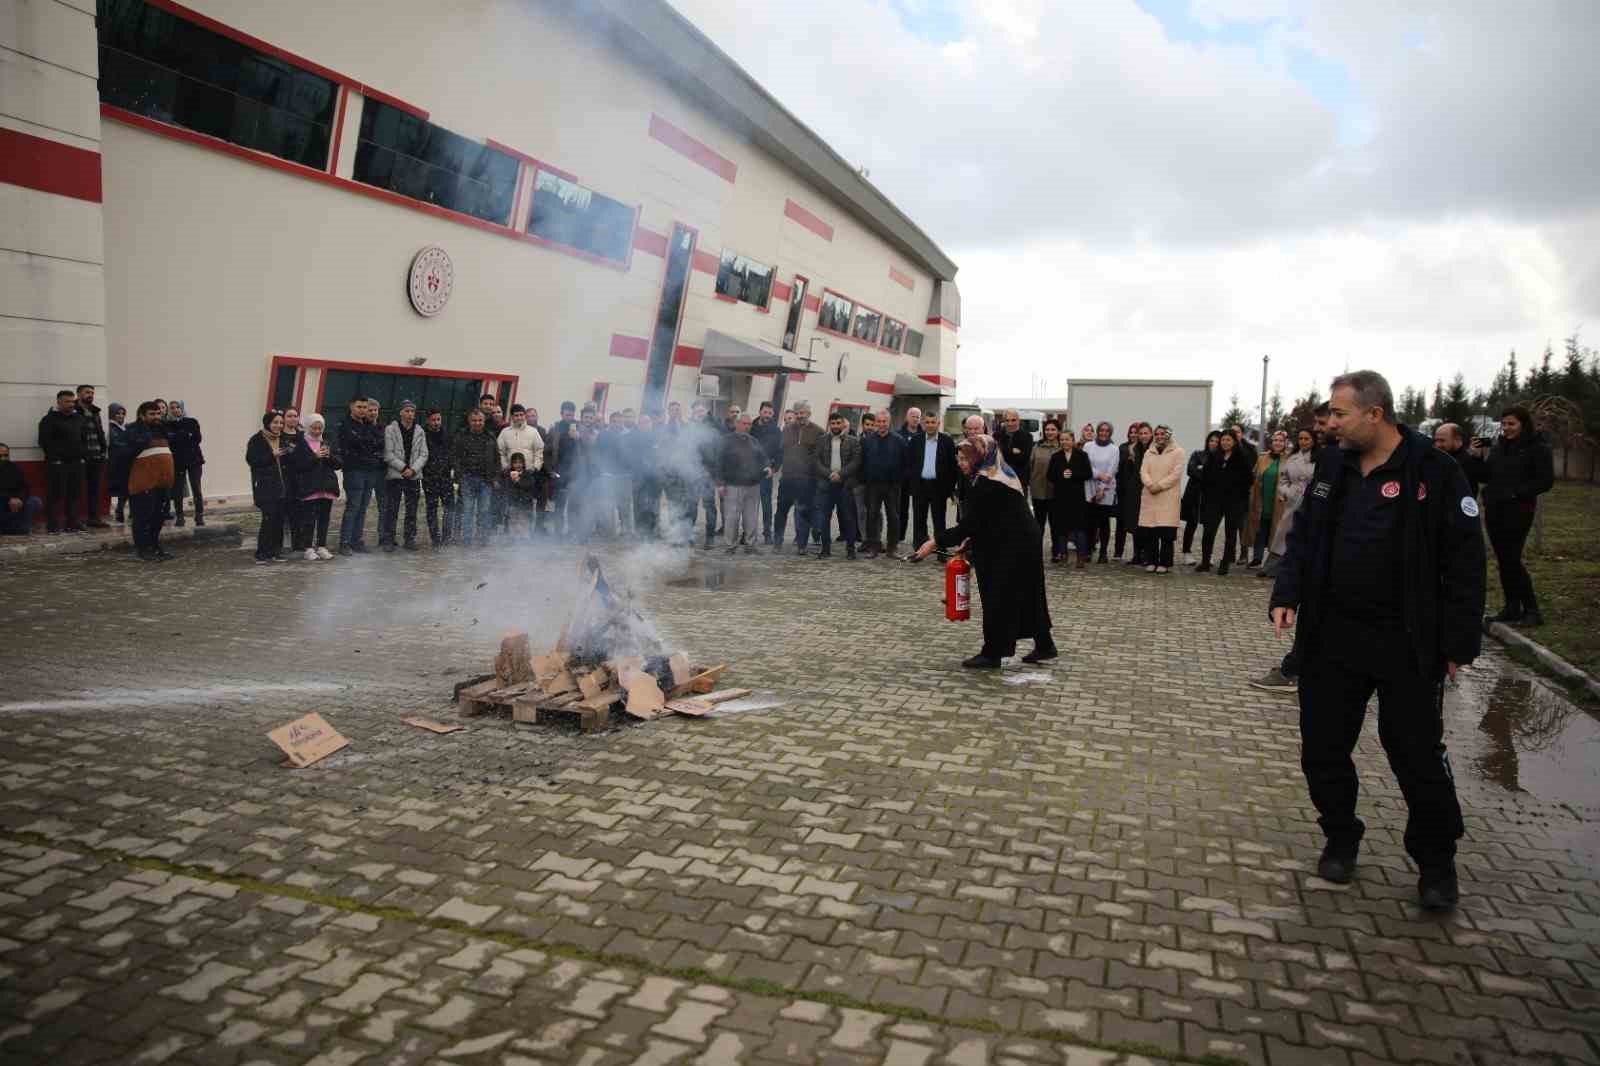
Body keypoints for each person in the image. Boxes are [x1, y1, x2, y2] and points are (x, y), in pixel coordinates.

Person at [1269, 370, 1483, 911]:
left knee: (1414, 754)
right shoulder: (1333, 467)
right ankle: (1340, 836)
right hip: (1333, 636)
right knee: (1322, 744)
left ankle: (1436, 865)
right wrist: (1287, 592)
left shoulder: (1435, 471)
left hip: (1407, 643)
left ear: (1375, 414)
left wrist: (1459, 642)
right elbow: (1305, 537)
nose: (1328, 423)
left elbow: (1465, 561)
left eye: (1339, 414)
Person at [912, 435, 1054, 667]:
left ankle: (993, 653)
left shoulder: (990, 481)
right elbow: (988, 519)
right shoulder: (991, 473)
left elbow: (971, 523)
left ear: (980, 455)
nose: (960, 463)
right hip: (1013, 539)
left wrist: (934, 542)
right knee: (1027, 593)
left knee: (997, 595)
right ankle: (1045, 645)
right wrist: (969, 542)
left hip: (1013, 544)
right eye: (958, 458)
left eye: (965, 458)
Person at [1479, 404, 1555, 627]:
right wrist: (1475, 458)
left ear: (1523, 424)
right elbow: (1487, 474)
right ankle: (1512, 607)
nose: (1506, 428)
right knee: (1503, 561)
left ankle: (1532, 610)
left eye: (1511, 424)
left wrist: (1515, 493)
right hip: (1495, 510)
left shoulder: (1537, 448)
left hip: (1519, 511)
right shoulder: (1500, 447)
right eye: (1503, 424)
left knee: (1512, 559)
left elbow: (1545, 481)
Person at [123, 401, 175, 561]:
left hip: (162, 482)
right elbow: (128, 452)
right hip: (142, 482)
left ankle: (154, 546)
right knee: (142, 518)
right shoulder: (133, 430)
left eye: (158, 413)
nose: (156, 417)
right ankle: (142, 550)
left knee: (158, 517)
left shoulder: (162, 429)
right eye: (152, 414)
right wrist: (146, 433)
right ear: (142, 415)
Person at [1261, 428, 1316, 578]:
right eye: (1301, 439)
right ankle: (1273, 568)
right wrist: (1287, 491)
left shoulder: (1320, 458)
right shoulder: (1292, 458)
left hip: (1312, 500)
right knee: (1283, 533)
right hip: (1293, 500)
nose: (1303, 442)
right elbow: (1283, 479)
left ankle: (1302, 568)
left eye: (1307, 439)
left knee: (1307, 534)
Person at [1197, 429, 1252, 574]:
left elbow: (1249, 480)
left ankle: (1225, 562)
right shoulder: (1214, 456)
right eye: (1223, 440)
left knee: (1230, 533)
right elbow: (1205, 476)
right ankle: (1205, 561)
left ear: (1234, 441)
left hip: (1234, 502)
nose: (1225, 443)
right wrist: (1208, 494)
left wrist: (1239, 495)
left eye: (1228, 440)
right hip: (1214, 501)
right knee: (1209, 531)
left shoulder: (1242, 457)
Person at [335, 398, 384, 555]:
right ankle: (345, 542)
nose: (363, 410)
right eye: (359, 407)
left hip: (371, 470)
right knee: (353, 506)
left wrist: (367, 444)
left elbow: (378, 443)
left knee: (363, 507)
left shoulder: (369, 425)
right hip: (354, 470)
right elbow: (353, 444)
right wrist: (366, 444)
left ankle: (357, 540)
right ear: (351, 407)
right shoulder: (345, 425)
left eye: (365, 407)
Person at [289, 413, 340, 560]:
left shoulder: (327, 442)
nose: (317, 431)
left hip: (327, 487)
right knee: (309, 519)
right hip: (309, 487)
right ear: (307, 427)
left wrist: (329, 456)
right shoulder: (300, 442)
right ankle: (308, 547)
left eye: (320, 428)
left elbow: (338, 464)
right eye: (314, 428)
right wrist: (314, 457)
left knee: (324, 518)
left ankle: (322, 546)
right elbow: (298, 465)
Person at [811, 411, 861, 559]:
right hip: (826, 485)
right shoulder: (821, 440)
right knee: (824, 517)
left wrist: (841, 474)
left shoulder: (853, 441)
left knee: (848, 518)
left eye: (838, 423)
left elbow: (856, 461)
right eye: (833, 423)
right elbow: (816, 461)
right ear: (829, 424)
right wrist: (829, 474)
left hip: (845, 485)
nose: (836, 426)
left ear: (843, 424)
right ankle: (825, 549)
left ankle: (851, 549)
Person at [717, 413, 769, 554]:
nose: (747, 426)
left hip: (753, 485)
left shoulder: (754, 441)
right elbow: (719, 462)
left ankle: (750, 545)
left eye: (749, 424)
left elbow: (763, 458)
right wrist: (720, 483)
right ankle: (730, 546)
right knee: (732, 517)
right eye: (744, 423)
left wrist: (767, 467)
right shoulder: (726, 441)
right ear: (737, 424)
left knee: (751, 517)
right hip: (733, 485)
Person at [38, 389, 87, 533]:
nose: (71, 404)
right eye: (67, 401)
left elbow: (84, 439)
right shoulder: (49, 419)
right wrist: (55, 459)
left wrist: (82, 456)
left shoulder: (79, 418)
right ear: (59, 402)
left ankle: (72, 522)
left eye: (73, 401)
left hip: (77, 463)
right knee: (56, 494)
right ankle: (53, 524)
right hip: (57, 464)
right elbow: (44, 441)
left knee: (74, 494)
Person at [381, 400, 427, 552]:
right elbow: (388, 454)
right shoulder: (390, 429)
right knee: (392, 509)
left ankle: (410, 538)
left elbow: (424, 454)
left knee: (412, 509)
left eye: (412, 411)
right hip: (396, 475)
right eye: (407, 411)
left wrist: (413, 470)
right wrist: (403, 468)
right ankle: (388, 539)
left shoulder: (420, 431)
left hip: (413, 476)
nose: (410, 414)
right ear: (401, 412)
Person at [246, 411, 292, 563]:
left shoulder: (283, 439)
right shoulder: (257, 440)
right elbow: (253, 461)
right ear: (267, 423)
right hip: (265, 486)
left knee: (279, 519)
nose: (278, 426)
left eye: (280, 423)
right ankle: (262, 553)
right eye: (275, 422)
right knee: (268, 519)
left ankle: (276, 551)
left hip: (282, 485)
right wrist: (272, 455)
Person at [907, 410, 957, 549]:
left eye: (933, 422)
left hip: (938, 487)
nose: (930, 425)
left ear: (938, 423)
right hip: (920, 486)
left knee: (939, 520)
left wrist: (950, 489)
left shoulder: (947, 441)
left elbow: (952, 467)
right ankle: (919, 547)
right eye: (927, 422)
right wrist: (912, 484)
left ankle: (941, 548)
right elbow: (909, 463)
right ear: (923, 423)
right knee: (919, 519)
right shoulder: (915, 441)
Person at [1137, 425, 1184, 574]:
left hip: (1167, 497)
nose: (1159, 436)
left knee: (1166, 533)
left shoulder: (1178, 452)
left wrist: (1160, 486)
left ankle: (1165, 562)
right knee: (1150, 532)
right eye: (1156, 434)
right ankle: (1151, 561)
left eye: (1162, 434)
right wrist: (1150, 484)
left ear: (1168, 435)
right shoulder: (1149, 452)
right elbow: (1143, 471)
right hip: (1150, 495)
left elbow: (1176, 474)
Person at [859, 411, 907, 558]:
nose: (881, 424)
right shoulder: (867, 440)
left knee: (893, 516)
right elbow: (862, 462)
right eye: (878, 422)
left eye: (884, 421)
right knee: (872, 515)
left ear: (889, 422)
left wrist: (899, 480)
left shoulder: (899, 440)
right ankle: (873, 547)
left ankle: (892, 548)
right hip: (873, 486)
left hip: (892, 486)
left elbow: (905, 462)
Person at [775, 401, 821, 552]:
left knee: (804, 512)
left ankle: (802, 545)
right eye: (798, 413)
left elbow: (819, 457)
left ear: (809, 413)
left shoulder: (818, 431)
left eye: (803, 413)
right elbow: (780, 452)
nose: (800, 416)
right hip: (787, 478)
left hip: (806, 481)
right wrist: (774, 467)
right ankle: (777, 542)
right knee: (781, 512)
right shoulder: (786, 430)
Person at [452, 409, 500, 547]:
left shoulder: (490, 437)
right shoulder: (461, 436)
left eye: (480, 420)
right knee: (468, 510)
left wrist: (495, 477)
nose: (477, 423)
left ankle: (482, 539)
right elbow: (455, 457)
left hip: (486, 480)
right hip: (467, 479)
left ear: (484, 421)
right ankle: (466, 540)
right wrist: (460, 475)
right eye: (474, 420)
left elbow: (497, 458)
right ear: (469, 421)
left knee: (484, 510)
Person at [1046, 427, 1092, 568]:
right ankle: (1063, 554)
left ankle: (1081, 556)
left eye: (1067, 439)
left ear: (1073, 440)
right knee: (1061, 528)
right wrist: (1061, 475)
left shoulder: (1081, 455)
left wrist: (1073, 474)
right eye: (1062, 439)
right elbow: (1049, 476)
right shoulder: (1056, 456)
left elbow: (1088, 474)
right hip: (1060, 498)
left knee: (1079, 528)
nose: (1064, 442)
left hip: (1077, 498)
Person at [1248, 429, 1290, 568]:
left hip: (1280, 501)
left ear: (1285, 443)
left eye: (1280, 441)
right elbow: (1254, 477)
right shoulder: (1263, 458)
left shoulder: (1289, 459)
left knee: (1276, 531)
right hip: (1262, 499)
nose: (1277, 443)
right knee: (1260, 529)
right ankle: (1257, 558)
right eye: (1275, 440)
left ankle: (1272, 561)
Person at [1180, 431, 1219, 565]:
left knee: (1210, 526)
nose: (1213, 443)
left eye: (1216, 441)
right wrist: (1207, 474)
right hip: (1194, 495)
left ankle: (1208, 554)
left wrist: (1203, 470)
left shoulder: (1221, 458)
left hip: (1211, 497)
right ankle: (1186, 552)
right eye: (1211, 440)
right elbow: (1191, 470)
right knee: (1191, 523)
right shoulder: (1198, 454)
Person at [165, 400, 205, 528]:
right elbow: (170, 441)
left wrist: (180, 437)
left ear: (182, 409)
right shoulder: (167, 425)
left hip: (194, 460)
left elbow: (197, 438)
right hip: (178, 462)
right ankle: (180, 516)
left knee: (196, 488)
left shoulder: (192, 421)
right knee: (178, 490)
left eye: (178, 407)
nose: (175, 410)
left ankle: (199, 515)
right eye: (172, 408)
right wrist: (186, 435)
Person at [1083, 422, 1119, 563]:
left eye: (1107, 431)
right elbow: (1086, 466)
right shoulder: (1088, 446)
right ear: (1097, 431)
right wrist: (1098, 475)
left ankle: (1103, 552)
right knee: (1090, 522)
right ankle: (1089, 550)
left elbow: (1112, 469)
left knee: (1104, 522)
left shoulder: (1114, 449)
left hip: (1107, 489)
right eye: (1101, 430)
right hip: (1090, 486)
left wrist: (1102, 488)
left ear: (1110, 433)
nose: (1104, 433)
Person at [75, 385, 110, 528]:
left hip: (97, 456)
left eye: (92, 393)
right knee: (78, 489)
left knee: (95, 489)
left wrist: (103, 451)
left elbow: (100, 431)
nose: (90, 395)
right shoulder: (74, 410)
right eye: (87, 392)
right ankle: (75, 519)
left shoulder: (95, 411)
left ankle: (94, 518)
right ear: (79, 394)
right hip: (81, 457)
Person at [1028, 420, 1063, 562]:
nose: (1050, 432)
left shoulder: (1062, 447)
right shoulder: (1036, 447)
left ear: (1058, 431)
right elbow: (1030, 466)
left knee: (1056, 524)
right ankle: (1036, 551)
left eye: (1053, 429)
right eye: (1047, 429)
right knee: (1038, 524)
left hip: (1056, 492)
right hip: (1038, 491)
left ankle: (1056, 552)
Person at [421, 409, 454, 548]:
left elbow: (452, 453)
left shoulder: (447, 434)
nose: (436, 423)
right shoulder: (422, 435)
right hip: (430, 478)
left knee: (449, 508)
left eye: (438, 419)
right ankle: (435, 538)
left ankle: (446, 537)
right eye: (433, 420)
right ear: (428, 420)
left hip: (445, 477)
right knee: (432, 509)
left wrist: (449, 467)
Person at [750, 401, 782, 543]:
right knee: (749, 503)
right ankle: (748, 531)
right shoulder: (751, 427)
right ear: (760, 411)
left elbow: (780, 453)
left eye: (770, 413)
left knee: (766, 503)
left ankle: (767, 532)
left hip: (766, 471)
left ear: (773, 414)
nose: (767, 415)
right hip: (749, 471)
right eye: (765, 412)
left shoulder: (776, 431)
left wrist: (774, 468)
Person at [1116, 423, 1148, 564]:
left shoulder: (1146, 449)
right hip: (1129, 490)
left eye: (1138, 432)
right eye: (1132, 432)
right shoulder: (1123, 448)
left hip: (1145, 490)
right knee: (1133, 524)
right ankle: (1136, 555)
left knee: (1144, 525)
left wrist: (1135, 459)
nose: (1135, 435)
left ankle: (1145, 555)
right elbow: (1123, 470)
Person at [1434, 423, 1487, 499]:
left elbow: (1483, 478)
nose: (1437, 444)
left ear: (1457, 439)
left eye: (1442, 440)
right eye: (1436, 440)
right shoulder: (1437, 458)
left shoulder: (1469, 461)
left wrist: (1478, 459)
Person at [631, 413, 662, 538]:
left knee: (653, 507)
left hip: (654, 479)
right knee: (638, 506)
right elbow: (629, 457)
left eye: (647, 422)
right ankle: (639, 532)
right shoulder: (633, 438)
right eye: (642, 423)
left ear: (651, 424)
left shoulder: (657, 437)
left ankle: (652, 532)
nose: (644, 425)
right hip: (638, 478)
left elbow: (662, 456)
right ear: (639, 425)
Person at [0, 443, 42, 535]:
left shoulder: (14, 468)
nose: (2, 458)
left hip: (16, 502)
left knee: (35, 501)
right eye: (0, 456)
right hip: (3, 501)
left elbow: (25, 487)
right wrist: (9, 499)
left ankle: (22, 528)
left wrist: (20, 499)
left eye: (5, 455)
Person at [500, 453, 538, 538]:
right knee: (513, 521)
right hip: (513, 503)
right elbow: (506, 488)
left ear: (523, 463)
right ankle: (513, 539)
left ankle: (524, 540)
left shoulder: (527, 474)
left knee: (524, 522)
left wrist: (518, 481)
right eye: (515, 463)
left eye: (520, 462)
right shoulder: (508, 474)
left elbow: (530, 485)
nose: (518, 465)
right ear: (512, 464)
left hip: (525, 503)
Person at [106, 403, 129, 524]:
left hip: (126, 462)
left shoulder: (127, 427)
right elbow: (116, 443)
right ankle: (114, 511)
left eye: (122, 413)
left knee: (125, 488)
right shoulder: (110, 427)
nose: (120, 416)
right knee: (116, 488)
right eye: (117, 413)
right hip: (115, 461)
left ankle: (120, 509)